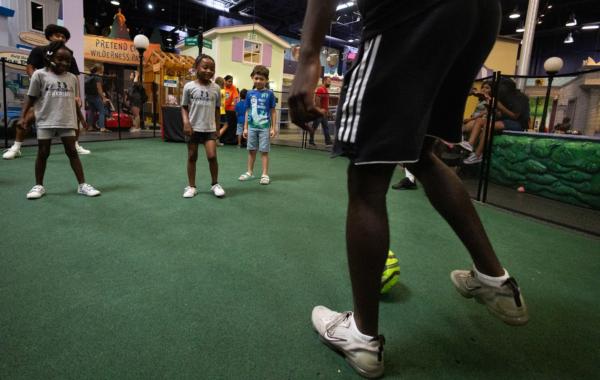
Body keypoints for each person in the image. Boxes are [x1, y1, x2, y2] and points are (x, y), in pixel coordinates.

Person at [289, 1, 528, 378]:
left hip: (410, 12)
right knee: (420, 154)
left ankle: (363, 339)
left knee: (367, 178)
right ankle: (495, 280)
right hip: (479, 15)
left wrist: (307, 58)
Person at [20, 41, 101, 200]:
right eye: (60, 59)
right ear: (49, 56)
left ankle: (82, 185)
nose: (64, 63)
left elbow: (73, 101)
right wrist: (23, 117)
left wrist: (81, 118)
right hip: (45, 120)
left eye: (67, 61)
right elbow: (30, 98)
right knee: (43, 152)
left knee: (72, 152)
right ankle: (39, 185)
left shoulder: (71, 78)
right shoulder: (39, 75)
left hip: (66, 120)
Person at [3, 24, 90, 160]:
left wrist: (77, 95)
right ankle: (16, 147)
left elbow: (75, 76)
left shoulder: (68, 55)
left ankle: (76, 145)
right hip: (43, 93)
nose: (60, 38)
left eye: (63, 37)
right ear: (49, 36)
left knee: (74, 118)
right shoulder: (39, 51)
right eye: (57, 35)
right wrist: (37, 83)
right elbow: (30, 67)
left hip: (64, 92)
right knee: (28, 118)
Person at [181, 54, 225, 199]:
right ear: (196, 68)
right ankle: (191, 186)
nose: (208, 71)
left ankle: (215, 184)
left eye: (212, 68)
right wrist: (186, 123)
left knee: (212, 156)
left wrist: (218, 128)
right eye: (205, 67)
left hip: (210, 129)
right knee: (192, 156)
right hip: (193, 128)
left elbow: (218, 109)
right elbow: (184, 107)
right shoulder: (189, 86)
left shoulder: (216, 88)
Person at [463, 78, 529, 164]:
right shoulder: (503, 97)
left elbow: (515, 116)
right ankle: (469, 144)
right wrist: (490, 108)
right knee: (479, 121)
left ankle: (478, 155)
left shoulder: (520, 97)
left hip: (517, 123)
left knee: (489, 125)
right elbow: (499, 115)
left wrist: (500, 107)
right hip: (504, 120)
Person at [238, 65, 277, 185]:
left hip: (264, 127)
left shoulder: (270, 94)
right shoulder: (249, 94)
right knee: (251, 150)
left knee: (264, 151)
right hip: (252, 127)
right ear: (252, 78)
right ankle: (249, 172)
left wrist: (273, 128)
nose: (258, 81)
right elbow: (247, 111)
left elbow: (273, 111)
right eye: (256, 78)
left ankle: (265, 174)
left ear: (266, 80)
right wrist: (245, 128)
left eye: (261, 79)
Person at [308, 76, 333, 146]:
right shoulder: (320, 89)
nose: (330, 83)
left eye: (330, 81)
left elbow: (325, 102)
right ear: (324, 81)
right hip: (319, 113)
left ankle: (328, 142)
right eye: (329, 81)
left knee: (326, 127)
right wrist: (319, 109)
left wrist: (327, 111)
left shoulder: (326, 90)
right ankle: (311, 141)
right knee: (314, 127)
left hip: (324, 113)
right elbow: (317, 99)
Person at [85, 64, 110, 133]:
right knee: (102, 110)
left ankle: (90, 127)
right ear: (100, 69)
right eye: (103, 68)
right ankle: (102, 127)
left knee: (91, 111)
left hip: (88, 96)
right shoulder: (98, 77)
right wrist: (104, 98)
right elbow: (99, 89)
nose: (103, 69)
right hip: (95, 97)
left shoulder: (90, 76)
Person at [222, 75, 240, 145]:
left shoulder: (233, 87)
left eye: (231, 82)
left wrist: (235, 107)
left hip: (230, 110)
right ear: (225, 81)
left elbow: (236, 98)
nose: (230, 83)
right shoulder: (222, 86)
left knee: (228, 125)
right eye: (229, 81)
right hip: (221, 109)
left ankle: (228, 140)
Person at [214, 77, 227, 146]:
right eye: (224, 84)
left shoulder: (215, 90)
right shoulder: (222, 91)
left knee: (216, 125)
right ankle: (216, 138)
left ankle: (217, 140)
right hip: (221, 110)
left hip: (216, 110)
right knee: (225, 125)